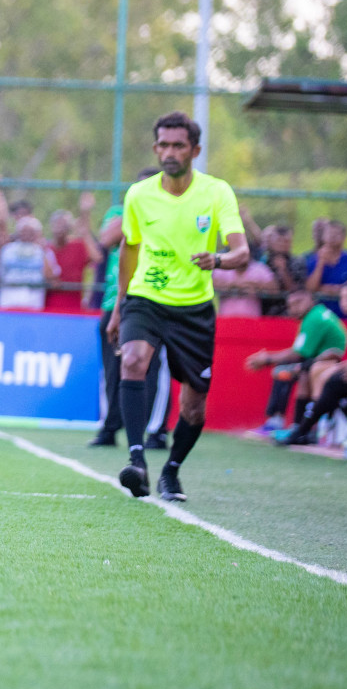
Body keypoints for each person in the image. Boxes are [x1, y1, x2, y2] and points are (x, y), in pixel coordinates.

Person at [107, 111, 249, 502]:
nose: (169, 152)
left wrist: (217, 260)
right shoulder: (138, 194)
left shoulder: (217, 192)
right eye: (163, 145)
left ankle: (171, 470)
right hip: (146, 298)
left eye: (178, 145)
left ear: (195, 150)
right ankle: (137, 461)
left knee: (193, 406)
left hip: (194, 309)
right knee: (133, 360)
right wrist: (120, 306)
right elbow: (129, 248)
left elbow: (242, 252)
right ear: (155, 148)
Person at [90, 169, 168, 450]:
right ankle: (109, 428)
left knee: (154, 367)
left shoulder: (171, 211)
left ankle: (155, 431)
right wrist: (138, 207)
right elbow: (107, 239)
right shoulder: (120, 211)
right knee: (112, 368)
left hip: (156, 299)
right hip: (116, 301)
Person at [247, 288, 347, 434]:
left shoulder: (314, 318)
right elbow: (302, 353)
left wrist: (267, 359)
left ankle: (285, 423)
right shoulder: (316, 314)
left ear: (311, 300)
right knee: (290, 369)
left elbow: (297, 354)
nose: (294, 308)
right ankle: (295, 425)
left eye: (298, 302)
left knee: (283, 371)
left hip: (333, 364)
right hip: (322, 362)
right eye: (291, 305)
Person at [43, 198, 103, 311]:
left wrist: (85, 229)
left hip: (74, 307)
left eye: (63, 224)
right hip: (49, 307)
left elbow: (97, 258)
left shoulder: (78, 246)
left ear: (69, 227)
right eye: (57, 223)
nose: (59, 227)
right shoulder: (45, 249)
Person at [0, 216, 56, 310]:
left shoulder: (44, 251)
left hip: (33, 303)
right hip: (8, 301)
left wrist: (42, 251)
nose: (27, 234)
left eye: (31, 232)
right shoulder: (7, 249)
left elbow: (50, 276)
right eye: (24, 231)